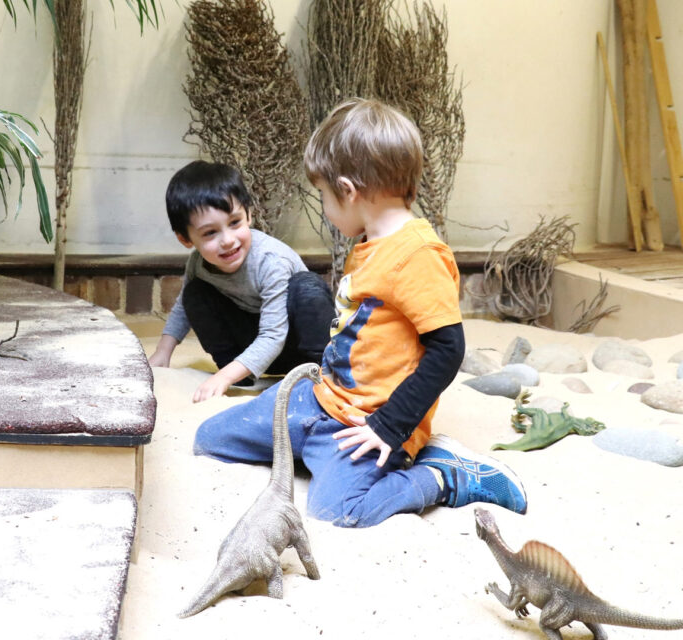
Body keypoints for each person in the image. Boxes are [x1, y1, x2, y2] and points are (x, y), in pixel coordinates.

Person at [193, 98, 528, 527]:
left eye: (323, 196)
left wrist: (390, 427)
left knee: (338, 511)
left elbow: (448, 350)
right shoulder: (370, 243)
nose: (326, 208)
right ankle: (310, 447)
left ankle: (445, 475)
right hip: (318, 401)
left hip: (369, 425)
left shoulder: (419, 255)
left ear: (348, 191)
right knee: (209, 439)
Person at [148, 160, 335, 403]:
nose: (228, 240)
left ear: (248, 214)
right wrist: (163, 351)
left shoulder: (270, 260)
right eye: (210, 233)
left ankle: (322, 372)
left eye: (235, 223)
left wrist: (221, 377)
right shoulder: (198, 262)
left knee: (307, 286)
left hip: (294, 341)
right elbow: (184, 306)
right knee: (194, 293)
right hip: (254, 345)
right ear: (185, 239)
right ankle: (240, 375)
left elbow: (274, 334)